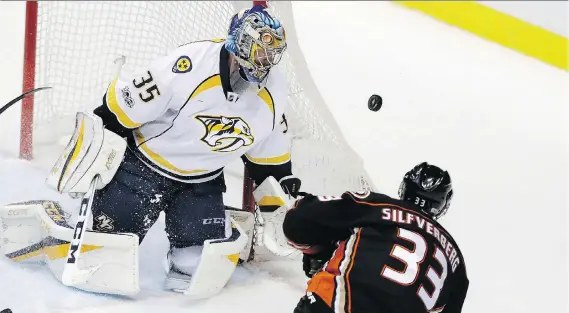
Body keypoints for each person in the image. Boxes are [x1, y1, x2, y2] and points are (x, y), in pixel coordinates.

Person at [84, 5, 300, 292]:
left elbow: (268, 161)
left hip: (203, 181)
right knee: (104, 256)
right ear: (240, 43)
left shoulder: (274, 90)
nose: (266, 60)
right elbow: (121, 110)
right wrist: (94, 147)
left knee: (195, 270)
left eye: (272, 53)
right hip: (143, 168)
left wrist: (280, 200)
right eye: (260, 50)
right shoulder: (190, 64)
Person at [283, 162, 469, 313]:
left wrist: (320, 252)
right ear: (443, 204)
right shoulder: (456, 263)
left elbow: (298, 220)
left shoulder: (377, 205)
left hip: (334, 305)